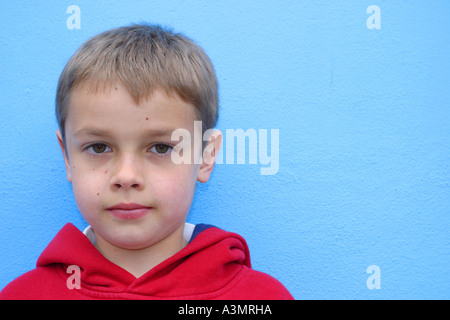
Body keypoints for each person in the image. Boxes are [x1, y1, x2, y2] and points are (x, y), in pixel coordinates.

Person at [0, 24, 293, 299]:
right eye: (99, 147)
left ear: (206, 157)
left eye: (162, 147)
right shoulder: (23, 294)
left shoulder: (259, 297)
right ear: (66, 157)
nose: (126, 176)